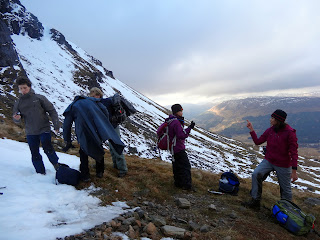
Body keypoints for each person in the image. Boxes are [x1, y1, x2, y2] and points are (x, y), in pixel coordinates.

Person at [243, 109, 298, 210]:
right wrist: (251, 129)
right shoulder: (271, 130)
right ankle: (255, 201)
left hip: (283, 164)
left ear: (278, 120)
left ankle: (287, 210)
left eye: (272, 118)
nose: (270, 120)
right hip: (269, 160)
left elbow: (294, 152)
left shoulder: (290, 133)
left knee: (285, 189)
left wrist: (294, 171)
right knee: (256, 174)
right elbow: (258, 142)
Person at [62, 94, 125, 181]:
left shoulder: (73, 106)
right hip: (96, 129)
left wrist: (67, 140)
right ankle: (100, 172)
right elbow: (104, 110)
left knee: (83, 151)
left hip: (82, 131)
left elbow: (67, 125)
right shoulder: (92, 101)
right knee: (98, 147)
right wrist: (104, 123)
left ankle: (85, 175)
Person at [12, 76, 61, 174]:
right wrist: (17, 118)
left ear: (29, 87)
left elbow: (52, 111)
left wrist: (56, 125)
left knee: (47, 148)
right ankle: (40, 173)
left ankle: (57, 166)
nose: (23, 90)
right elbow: (16, 118)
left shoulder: (39, 98)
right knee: (34, 152)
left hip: (44, 128)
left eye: (25, 88)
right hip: (30, 131)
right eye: (21, 88)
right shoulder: (18, 102)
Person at [89, 87, 128, 178]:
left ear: (99, 95)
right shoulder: (99, 103)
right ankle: (116, 165)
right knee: (112, 147)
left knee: (116, 147)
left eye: (94, 96)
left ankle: (123, 169)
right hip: (108, 127)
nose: (92, 97)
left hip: (112, 127)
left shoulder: (105, 102)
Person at [158, 103, 195, 191]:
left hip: (173, 148)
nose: (182, 112)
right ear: (177, 111)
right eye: (181, 111)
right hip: (178, 147)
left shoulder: (171, 120)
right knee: (186, 166)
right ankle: (187, 185)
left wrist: (188, 127)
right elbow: (181, 135)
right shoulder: (176, 122)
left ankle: (178, 183)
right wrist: (189, 128)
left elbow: (178, 133)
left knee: (177, 165)